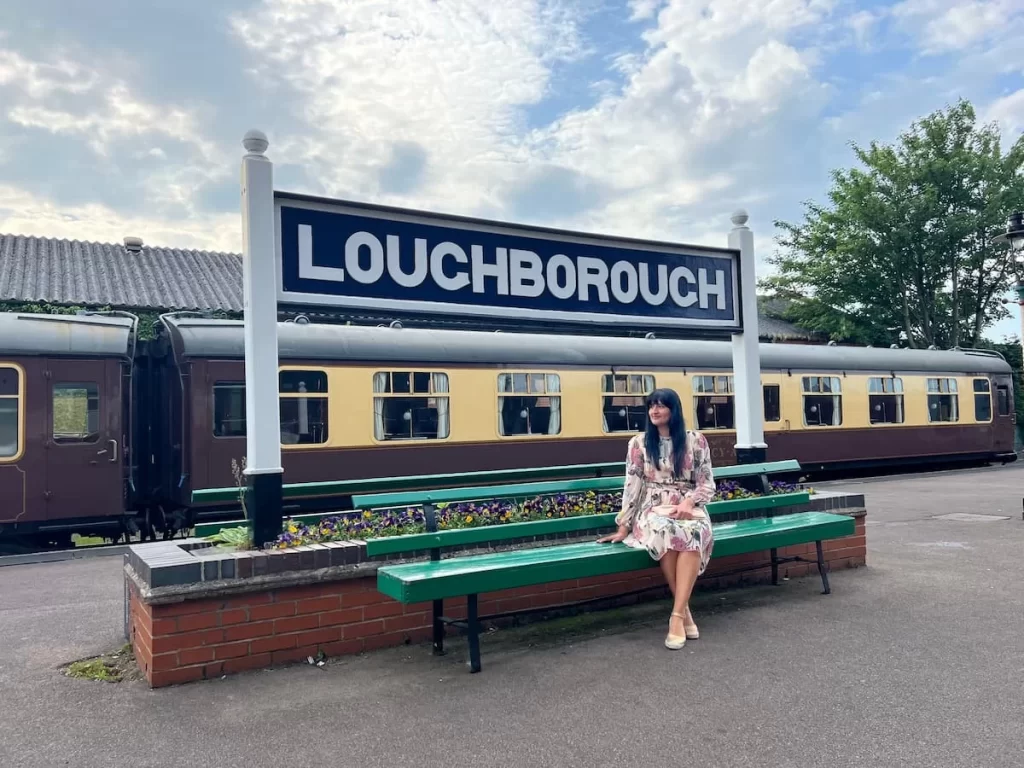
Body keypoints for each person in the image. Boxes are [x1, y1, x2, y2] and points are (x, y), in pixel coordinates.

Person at [597, 387, 716, 650]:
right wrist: (623, 524)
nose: (654, 410)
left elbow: (707, 483)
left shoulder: (696, 441)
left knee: (693, 532)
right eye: (651, 406)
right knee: (666, 531)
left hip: (688, 507)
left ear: (674, 410)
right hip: (652, 508)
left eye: (661, 405)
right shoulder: (638, 444)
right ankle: (683, 613)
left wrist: (689, 501)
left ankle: (677, 615)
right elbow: (632, 485)